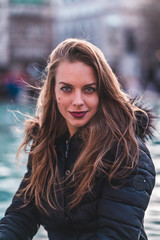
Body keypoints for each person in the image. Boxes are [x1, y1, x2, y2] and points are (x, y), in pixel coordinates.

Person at [0, 38, 156, 240]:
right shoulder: (45, 143)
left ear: (103, 92)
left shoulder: (128, 151)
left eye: (89, 89)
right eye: (66, 88)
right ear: (53, 91)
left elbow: (116, 235)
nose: (78, 101)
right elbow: (21, 217)